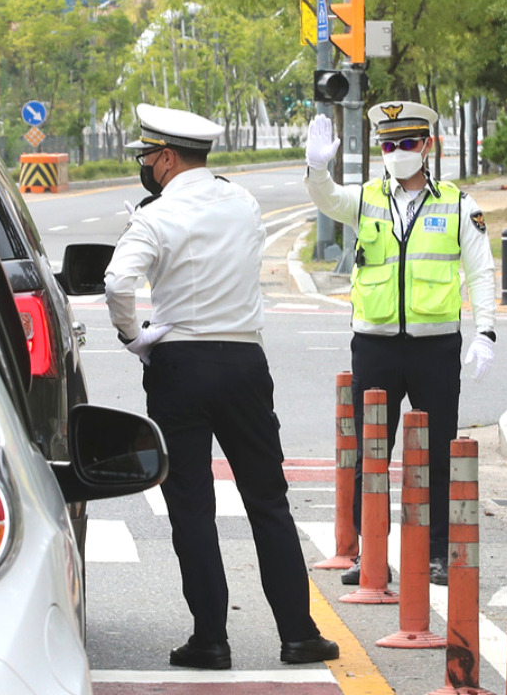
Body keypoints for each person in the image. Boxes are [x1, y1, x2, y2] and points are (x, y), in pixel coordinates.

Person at [104, 103, 339, 670]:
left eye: (146, 157)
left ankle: (210, 639)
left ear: (164, 158)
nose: (145, 166)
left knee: (191, 506)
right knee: (267, 499)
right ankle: (298, 634)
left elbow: (118, 282)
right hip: (242, 361)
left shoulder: (155, 216)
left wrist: (136, 337)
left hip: (178, 365)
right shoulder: (243, 202)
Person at [303, 102, 497, 587]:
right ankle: (368, 554)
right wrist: (317, 167)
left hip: (434, 347)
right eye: (388, 145)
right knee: (372, 454)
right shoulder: (366, 199)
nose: (397, 153)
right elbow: (327, 200)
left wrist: (486, 332)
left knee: (436, 455)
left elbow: (480, 270)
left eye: (408, 143)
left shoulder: (457, 204)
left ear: (427, 146)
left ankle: (434, 553)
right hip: (375, 345)